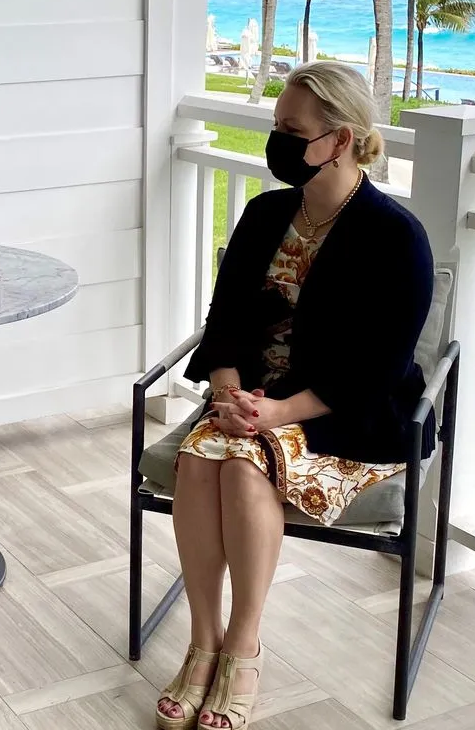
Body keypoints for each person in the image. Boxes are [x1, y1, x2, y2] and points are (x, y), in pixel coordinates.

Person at [155, 61, 434, 730]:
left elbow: (377, 368)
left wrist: (278, 413)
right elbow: (224, 321)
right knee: (200, 458)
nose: (276, 141)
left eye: (291, 130)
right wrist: (229, 394)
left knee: (242, 469)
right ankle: (203, 643)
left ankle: (243, 648)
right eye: (276, 125)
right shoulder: (266, 214)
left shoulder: (395, 237)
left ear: (340, 140)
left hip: (345, 415)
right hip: (251, 400)